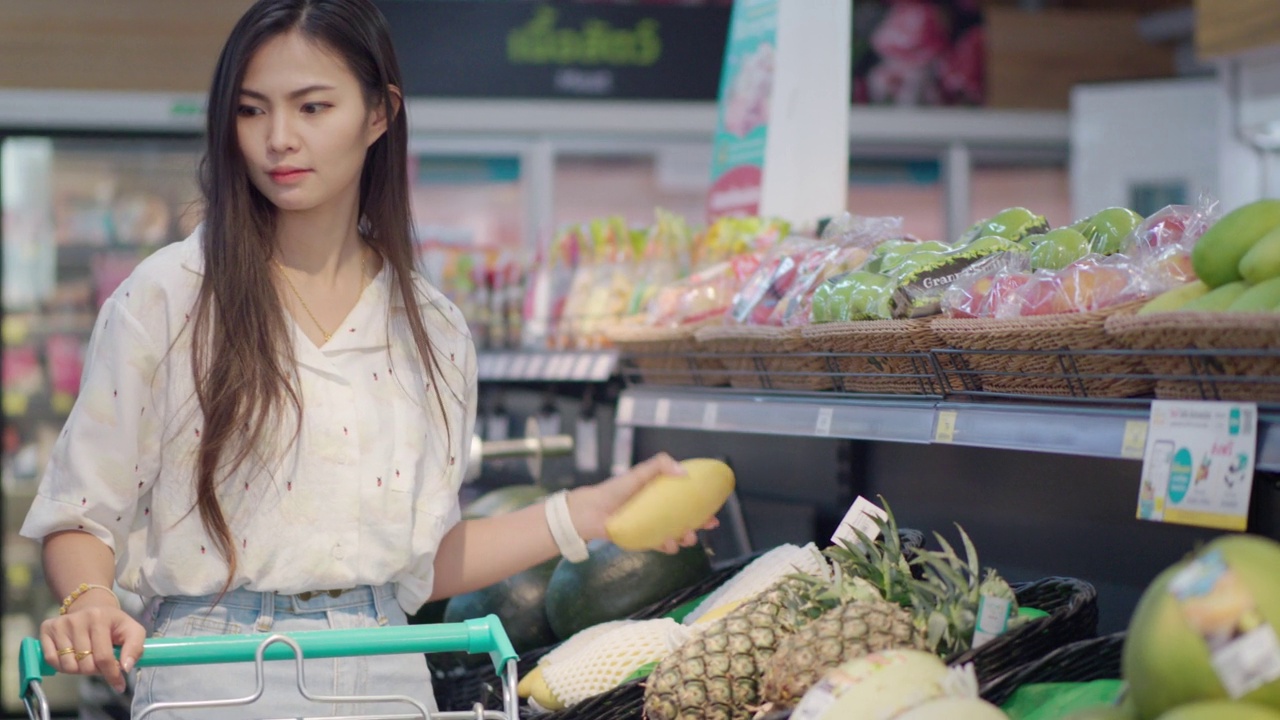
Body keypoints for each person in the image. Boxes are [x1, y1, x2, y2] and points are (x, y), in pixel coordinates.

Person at [19, 1, 712, 717]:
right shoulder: (169, 297)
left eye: (312, 107)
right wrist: (90, 597)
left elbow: (417, 564)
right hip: (212, 670)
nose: (279, 139)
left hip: (386, 671)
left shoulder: (432, 330)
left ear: (380, 113)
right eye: (252, 111)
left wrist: (589, 513)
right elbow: (80, 511)